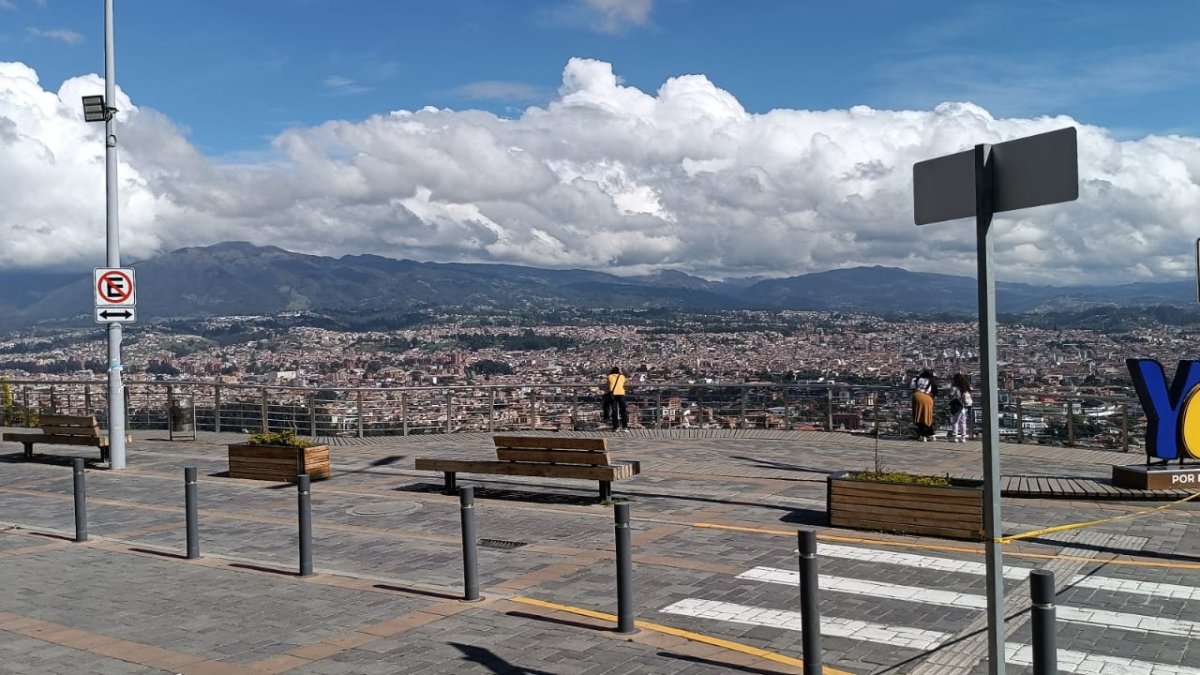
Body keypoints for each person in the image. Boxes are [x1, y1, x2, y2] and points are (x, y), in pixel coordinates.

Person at [910, 369, 937, 441]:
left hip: (918, 397)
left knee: (919, 417)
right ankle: (932, 435)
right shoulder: (931, 380)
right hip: (928, 398)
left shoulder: (915, 379)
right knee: (928, 416)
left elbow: (912, 387)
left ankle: (923, 435)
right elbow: (935, 390)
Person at [948, 373, 973, 442]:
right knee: (963, 422)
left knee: (955, 422)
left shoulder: (954, 388)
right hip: (965, 407)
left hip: (957, 406)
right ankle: (963, 437)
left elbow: (950, 395)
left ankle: (955, 436)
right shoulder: (966, 388)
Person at [605, 366, 629, 431]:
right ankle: (625, 427)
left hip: (613, 395)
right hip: (621, 394)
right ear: (619, 371)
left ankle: (616, 427)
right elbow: (626, 382)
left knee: (614, 411)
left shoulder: (609, 377)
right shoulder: (622, 377)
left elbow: (607, 384)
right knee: (623, 410)